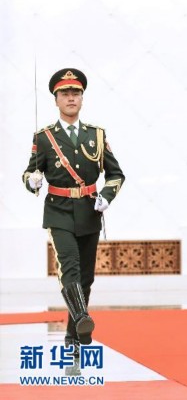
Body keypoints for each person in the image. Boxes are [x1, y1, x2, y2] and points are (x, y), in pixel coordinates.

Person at [23, 68, 125, 356]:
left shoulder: (97, 135)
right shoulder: (44, 137)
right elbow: (29, 172)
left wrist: (106, 197)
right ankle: (82, 317)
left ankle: (73, 335)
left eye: (75, 93)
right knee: (69, 266)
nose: (71, 98)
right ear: (56, 99)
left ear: (82, 98)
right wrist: (32, 181)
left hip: (89, 212)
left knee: (85, 277)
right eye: (65, 94)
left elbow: (116, 174)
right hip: (58, 212)